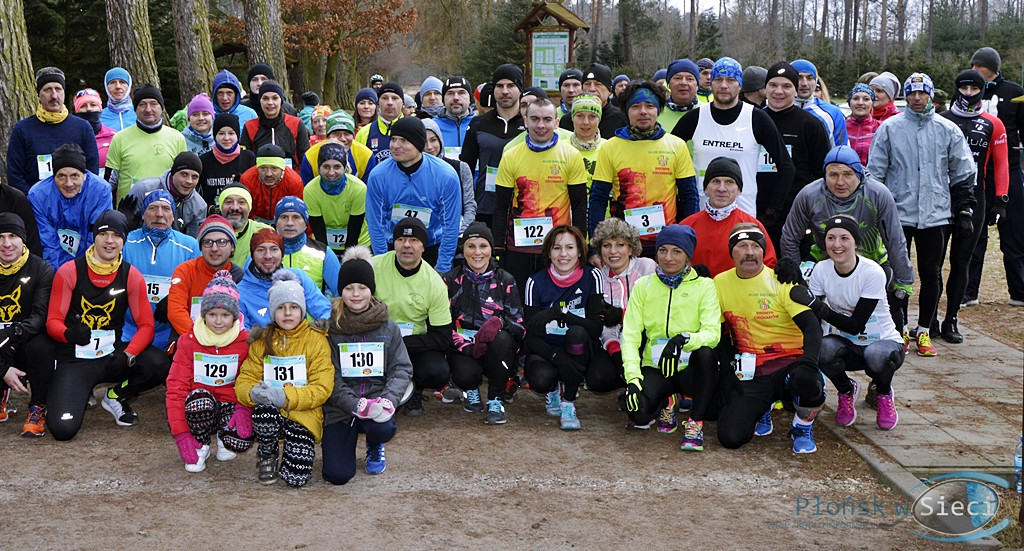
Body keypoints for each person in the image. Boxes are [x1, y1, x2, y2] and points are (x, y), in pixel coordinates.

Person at [867, 73, 976, 357]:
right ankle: (899, 328)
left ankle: (925, 329)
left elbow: (962, 172)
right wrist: (874, 211)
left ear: (931, 96)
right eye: (912, 93)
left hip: (935, 214)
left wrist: (965, 209)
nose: (917, 98)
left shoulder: (948, 129)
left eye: (922, 93)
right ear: (905, 96)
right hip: (898, 213)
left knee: (931, 272)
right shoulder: (889, 128)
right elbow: (875, 173)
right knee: (898, 274)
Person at [45, 210, 171, 440]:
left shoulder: (131, 275)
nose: (110, 241)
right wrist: (68, 334)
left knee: (159, 364)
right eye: (103, 234)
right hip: (76, 358)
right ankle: (78, 393)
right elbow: (52, 321)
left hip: (111, 356)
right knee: (63, 429)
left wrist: (128, 354)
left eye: (116, 235)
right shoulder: (69, 271)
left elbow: (146, 326)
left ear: (124, 241)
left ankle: (116, 395)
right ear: (94, 237)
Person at [780, 145, 913, 348]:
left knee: (889, 307)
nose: (840, 182)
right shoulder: (809, 194)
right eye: (833, 175)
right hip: (825, 261)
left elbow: (894, 238)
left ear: (859, 173)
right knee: (806, 309)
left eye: (847, 174)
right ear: (824, 175)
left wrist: (903, 281)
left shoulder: (878, 193)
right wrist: (796, 274)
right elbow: (790, 236)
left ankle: (885, 362)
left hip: (873, 261)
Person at [714, 223, 826, 453]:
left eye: (755, 246)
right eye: (742, 246)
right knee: (731, 437)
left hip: (791, 363)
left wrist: (810, 364)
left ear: (764, 251)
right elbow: (719, 332)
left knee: (808, 382)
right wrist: (726, 370)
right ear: (731, 252)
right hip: (753, 369)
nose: (749, 253)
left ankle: (802, 425)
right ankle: (762, 409)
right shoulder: (720, 283)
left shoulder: (781, 279)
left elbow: (812, 328)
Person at [621, 225, 721, 449]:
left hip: (689, 367)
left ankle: (695, 421)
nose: (668, 258)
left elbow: (712, 334)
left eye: (677, 251)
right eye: (663, 250)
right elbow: (630, 336)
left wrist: (684, 339)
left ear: (688, 255)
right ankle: (669, 400)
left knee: (706, 354)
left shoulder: (705, 286)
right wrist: (633, 380)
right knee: (638, 413)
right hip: (655, 366)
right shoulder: (642, 286)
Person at [802, 215, 905, 430]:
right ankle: (845, 390)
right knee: (822, 348)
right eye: (831, 238)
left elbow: (856, 324)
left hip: (883, 342)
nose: (837, 245)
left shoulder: (873, 272)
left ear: (856, 243)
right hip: (848, 343)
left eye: (844, 238)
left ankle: (884, 393)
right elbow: (813, 316)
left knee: (875, 355)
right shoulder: (821, 270)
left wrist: (820, 308)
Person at [235, 270, 333, 486]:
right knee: (264, 413)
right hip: (270, 413)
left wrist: (284, 397)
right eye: (281, 307)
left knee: (295, 479)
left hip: (303, 414)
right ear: (272, 311)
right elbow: (245, 379)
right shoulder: (261, 341)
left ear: (303, 310)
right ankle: (267, 453)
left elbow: (322, 388)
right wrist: (252, 392)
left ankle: (293, 444)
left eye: (294, 307)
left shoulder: (317, 341)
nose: (287, 313)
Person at [322, 248, 413, 482]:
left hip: (377, 402)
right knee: (337, 475)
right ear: (340, 291)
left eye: (362, 288)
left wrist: (388, 400)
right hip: (341, 408)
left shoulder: (388, 327)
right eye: (349, 288)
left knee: (383, 428)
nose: (355, 294)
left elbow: (401, 368)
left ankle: (375, 444)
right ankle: (346, 440)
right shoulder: (330, 328)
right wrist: (356, 404)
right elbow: (328, 375)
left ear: (371, 290)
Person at [671, 57, 794, 226]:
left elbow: (787, 166)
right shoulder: (696, 117)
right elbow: (668, 157)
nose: (723, 85)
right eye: (718, 79)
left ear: (740, 84)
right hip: (701, 213)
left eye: (731, 80)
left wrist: (771, 213)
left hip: (743, 215)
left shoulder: (756, 118)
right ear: (710, 83)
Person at [589, 80, 698, 255]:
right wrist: (595, 248)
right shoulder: (610, 147)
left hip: (665, 244)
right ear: (626, 111)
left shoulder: (676, 145)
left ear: (658, 110)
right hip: (623, 244)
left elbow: (689, 197)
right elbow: (598, 199)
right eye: (635, 106)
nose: (643, 112)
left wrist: (686, 240)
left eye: (649, 106)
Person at [940, 69, 1009, 342]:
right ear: (957, 89)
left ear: (983, 90)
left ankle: (951, 319)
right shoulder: (942, 120)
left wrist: (1001, 200)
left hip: (975, 197)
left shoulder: (993, 124)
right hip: (940, 197)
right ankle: (929, 318)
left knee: (962, 260)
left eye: (974, 89)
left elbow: (1001, 164)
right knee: (933, 263)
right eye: (964, 88)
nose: (968, 93)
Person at [493, 97, 588, 289]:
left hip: (557, 247)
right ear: (526, 121)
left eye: (547, 119)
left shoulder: (571, 155)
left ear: (557, 122)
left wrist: (580, 247)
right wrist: (499, 248)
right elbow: (501, 206)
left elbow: (579, 206)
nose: (541, 125)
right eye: (535, 119)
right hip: (518, 246)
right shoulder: (511, 155)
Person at [165, 270, 253, 472]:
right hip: (199, 406)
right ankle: (200, 442)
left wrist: (244, 409)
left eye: (225, 315)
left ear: (235, 316)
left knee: (239, 439)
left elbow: (250, 381)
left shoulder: (245, 342)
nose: (218, 321)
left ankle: (225, 436)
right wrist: (181, 433)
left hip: (230, 404)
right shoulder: (188, 341)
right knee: (199, 402)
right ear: (203, 315)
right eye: (212, 314)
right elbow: (176, 387)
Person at [522, 225, 607, 430]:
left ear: (580, 251)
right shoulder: (535, 282)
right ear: (548, 253)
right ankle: (553, 389)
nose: (563, 254)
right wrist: (557, 358)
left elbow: (595, 329)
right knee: (540, 379)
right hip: (546, 350)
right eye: (556, 248)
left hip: (578, 347)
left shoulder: (592, 276)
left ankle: (568, 401)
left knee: (577, 333)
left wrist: (565, 316)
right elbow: (530, 334)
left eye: (569, 247)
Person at [443, 223, 524, 425]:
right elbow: (442, 325)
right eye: (471, 246)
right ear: (463, 250)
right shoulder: (451, 280)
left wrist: (499, 323)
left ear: (491, 249)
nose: (477, 252)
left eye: (483, 246)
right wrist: (468, 348)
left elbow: (520, 328)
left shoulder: (506, 280)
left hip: (496, 348)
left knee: (503, 339)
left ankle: (496, 399)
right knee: (465, 374)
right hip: (463, 346)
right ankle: (471, 389)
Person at [372, 217, 453, 416]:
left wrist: (401, 343)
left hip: (413, 345)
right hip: (374, 341)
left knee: (438, 371)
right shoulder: (372, 266)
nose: (407, 245)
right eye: (400, 240)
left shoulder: (434, 282)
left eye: (414, 240)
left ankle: (414, 389)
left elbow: (443, 338)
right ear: (394, 243)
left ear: (424, 247)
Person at [365, 117, 462, 273]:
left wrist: (443, 267)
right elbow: (375, 223)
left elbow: (450, 225)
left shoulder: (446, 175)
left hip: (431, 247)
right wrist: (383, 262)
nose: (395, 146)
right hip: (393, 247)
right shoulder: (378, 175)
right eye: (393, 139)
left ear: (418, 144)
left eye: (403, 140)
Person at [967, 46, 1024, 309]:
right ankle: (969, 291)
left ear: (993, 67)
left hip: (1009, 169)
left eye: (982, 66)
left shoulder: (1014, 93)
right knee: (974, 234)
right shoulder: (968, 90)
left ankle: (1019, 291)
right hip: (978, 172)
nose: (977, 70)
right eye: (974, 66)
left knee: (1013, 233)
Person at [590, 218, 656, 425]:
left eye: (620, 245)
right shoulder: (597, 277)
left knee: (641, 416)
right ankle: (629, 385)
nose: (613, 251)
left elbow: (655, 313)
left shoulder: (647, 267)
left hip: (648, 344)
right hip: (617, 344)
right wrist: (618, 355)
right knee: (596, 379)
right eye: (607, 245)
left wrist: (623, 314)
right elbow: (604, 327)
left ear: (631, 248)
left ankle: (662, 395)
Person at [761, 61, 832, 246]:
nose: (779, 91)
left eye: (786, 86)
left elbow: (821, 174)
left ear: (795, 91)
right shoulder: (753, 119)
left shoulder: (810, 125)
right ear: (765, 89)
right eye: (773, 85)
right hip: (757, 210)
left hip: (796, 213)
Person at [121, 189, 201, 350]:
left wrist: (174, 300)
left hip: (170, 330)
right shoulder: (125, 242)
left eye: (166, 209)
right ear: (142, 214)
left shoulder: (190, 246)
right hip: (127, 329)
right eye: (152, 208)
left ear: (173, 216)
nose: (159, 214)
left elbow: (198, 289)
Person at [0, 213, 55, 437]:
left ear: (23, 239)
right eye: (0, 236)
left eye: (12, 236)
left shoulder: (41, 268)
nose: (6, 244)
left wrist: (13, 332)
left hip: (24, 337)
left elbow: (40, 316)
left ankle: (38, 406)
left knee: (41, 345)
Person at [6, 67, 99, 194]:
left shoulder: (83, 127)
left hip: (76, 203)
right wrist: (34, 201)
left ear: (64, 92)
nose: (54, 95)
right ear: (38, 94)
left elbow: (92, 172)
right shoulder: (22, 129)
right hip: (35, 204)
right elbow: (15, 174)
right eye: (47, 90)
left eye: (58, 89)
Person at [681, 156, 776, 277]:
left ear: (739, 190)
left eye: (729, 182)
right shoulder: (686, 226)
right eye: (716, 181)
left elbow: (769, 267)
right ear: (706, 188)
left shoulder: (752, 226)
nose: (722, 188)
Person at [460, 64, 526, 228]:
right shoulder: (478, 123)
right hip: (485, 207)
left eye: (511, 85)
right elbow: (465, 167)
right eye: (499, 86)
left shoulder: (530, 123)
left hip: (523, 206)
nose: (505, 91)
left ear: (520, 89)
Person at [29, 144, 112, 270]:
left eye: (75, 175)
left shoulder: (101, 191)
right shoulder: (38, 195)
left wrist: (83, 271)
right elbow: (48, 243)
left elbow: (98, 236)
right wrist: (64, 274)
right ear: (53, 177)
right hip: (54, 264)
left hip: (92, 263)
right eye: (61, 176)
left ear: (84, 175)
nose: (68, 183)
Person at [167, 215, 246, 340]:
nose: (214, 248)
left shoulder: (240, 277)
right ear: (201, 247)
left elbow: (242, 318)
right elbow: (176, 312)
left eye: (221, 242)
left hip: (228, 341)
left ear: (232, 247)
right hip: (188, 337)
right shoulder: (185, 270)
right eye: (208, 242)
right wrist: (199, 338)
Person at [104, 84, 187, 202]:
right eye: (142, 104)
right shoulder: (120, 138)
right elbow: (110, 182)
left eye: (153, 104)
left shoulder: (177, 138)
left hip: (165, 211)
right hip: (129, 211)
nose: (148, 109)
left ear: (161, 107)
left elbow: (183, 178)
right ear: (135, 109)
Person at [236, 228, 332, 330]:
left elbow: (324, 311)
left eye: (274, 249)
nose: (268, 256)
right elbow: (242, 333)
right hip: (263, 344)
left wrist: (312, 335)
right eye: (260, 250)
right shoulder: (240, 292)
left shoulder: (298, 277)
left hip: (299, 341)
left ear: (282, 253)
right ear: (252, 254)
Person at [305, 142, 371, 253]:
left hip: (358, 242)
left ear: (345, 167)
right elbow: (318, 229)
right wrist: (327, 257)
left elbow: (354, 230)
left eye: (337, 167)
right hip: (323, 242)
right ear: (318, 167)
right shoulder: (310, 190)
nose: (331, 173)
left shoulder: (359, 188)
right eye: (326, 166)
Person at [126, 151, 208, 238]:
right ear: (173, 173)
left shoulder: (199, 206)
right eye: (184, 174)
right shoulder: (144, 189)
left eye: (194, 177)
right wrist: (125, 225)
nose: (189, 181)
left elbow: (192, 244)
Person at [274, 196, 340, 296]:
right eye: (284, 217)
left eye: (296, 217)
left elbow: (340, 292)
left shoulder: (323, 252)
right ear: (276, 221)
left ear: (305, 222)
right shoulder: (264, 251)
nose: (290, 223)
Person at [240, 80, 310, 170]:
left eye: (275, 98)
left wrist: (297, 178)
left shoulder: (296, 123)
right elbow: (246, 160)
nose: (270, 103)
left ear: (281, 100)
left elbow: (305, 157)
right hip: (259, 179)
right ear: (260, 101)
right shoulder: (250, 126)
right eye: (265, 98)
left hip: (291, 178)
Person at [422, 118, 477, 234]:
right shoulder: (412, 171)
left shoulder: (460, 168)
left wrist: (461, 233)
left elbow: (469, 206)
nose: (429, 147)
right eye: (423, 141)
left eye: (433, 140)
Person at [198, 114, 256, 207]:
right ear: (214, 135)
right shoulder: (203, 160)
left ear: (237, 135)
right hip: (212, 217)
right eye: (221, 133)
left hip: (241, 215)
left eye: (231, 133)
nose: (226, 138)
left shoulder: (249, 158)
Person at [558, 63, 629, 139]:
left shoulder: (621, 120)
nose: (592, 89)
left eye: (598, 84)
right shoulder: (568, 121)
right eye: (587, 84)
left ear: (609, 91)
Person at [240, 144, 305, 224]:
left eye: (274, 168)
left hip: (285, 220)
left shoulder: (294, 181)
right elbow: (245, 212)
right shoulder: (247, 179)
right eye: (263, 168)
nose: (269, 174)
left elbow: (298, 212)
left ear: (282, 168)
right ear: (257, 168)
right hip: (256, 221)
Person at [791, 59, 848, 146]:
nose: (804, 83)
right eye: (799, 78)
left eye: (810, 78)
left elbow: (842, 150)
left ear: (816, 81)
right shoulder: (775, 110)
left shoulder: (833, 112)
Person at [218, 185, 271, 267]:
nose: (235, 207)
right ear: (221, 207)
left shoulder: (265, 233)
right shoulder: (210, 234)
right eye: (228, 202)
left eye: (241, 202)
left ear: (249, 207)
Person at [355, 82, 406, 165]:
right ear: (378, 104)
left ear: (403, 104)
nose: (390, 102)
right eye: (385, 98)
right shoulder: (364, 133)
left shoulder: (413, 130)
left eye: (394, 98)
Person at [567, 95, 604, 198]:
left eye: (592, 116)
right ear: (572, 118)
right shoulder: (561, 148)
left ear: (599, 119)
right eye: (580, 116)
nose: (586, 122)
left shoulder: (610, 148)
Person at [73, 88, 116, 169]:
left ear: (100, 109)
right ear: (77, 111)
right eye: (83, 106)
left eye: (93, 105)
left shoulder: (114, 137)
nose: (89, 109)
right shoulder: (70, 136)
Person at [657, 59, 701, 136]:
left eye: (690, 79)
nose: (683, 83)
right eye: (677, 78)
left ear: (697, 85)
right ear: (668, 84)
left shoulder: (707, 111)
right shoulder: (656, 112)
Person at [434, 76, 475, 158]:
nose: (456, 98)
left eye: (461, 93)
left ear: (470, 98)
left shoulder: (480, 124)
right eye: (450, 93)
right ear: (443, 99)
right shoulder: (433, 126)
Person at [846, 83, 880, 165]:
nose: (860, 103)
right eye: (856, 98)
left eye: (866, 99)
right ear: (849, 102)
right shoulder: (840, 127)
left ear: (872, 103)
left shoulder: (881, 128)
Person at [99, 67, 136, 132]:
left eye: (122, 82)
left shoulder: (139, 113)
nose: (118, 86)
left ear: (129, 85)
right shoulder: (99, 117)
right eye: (113, 82)